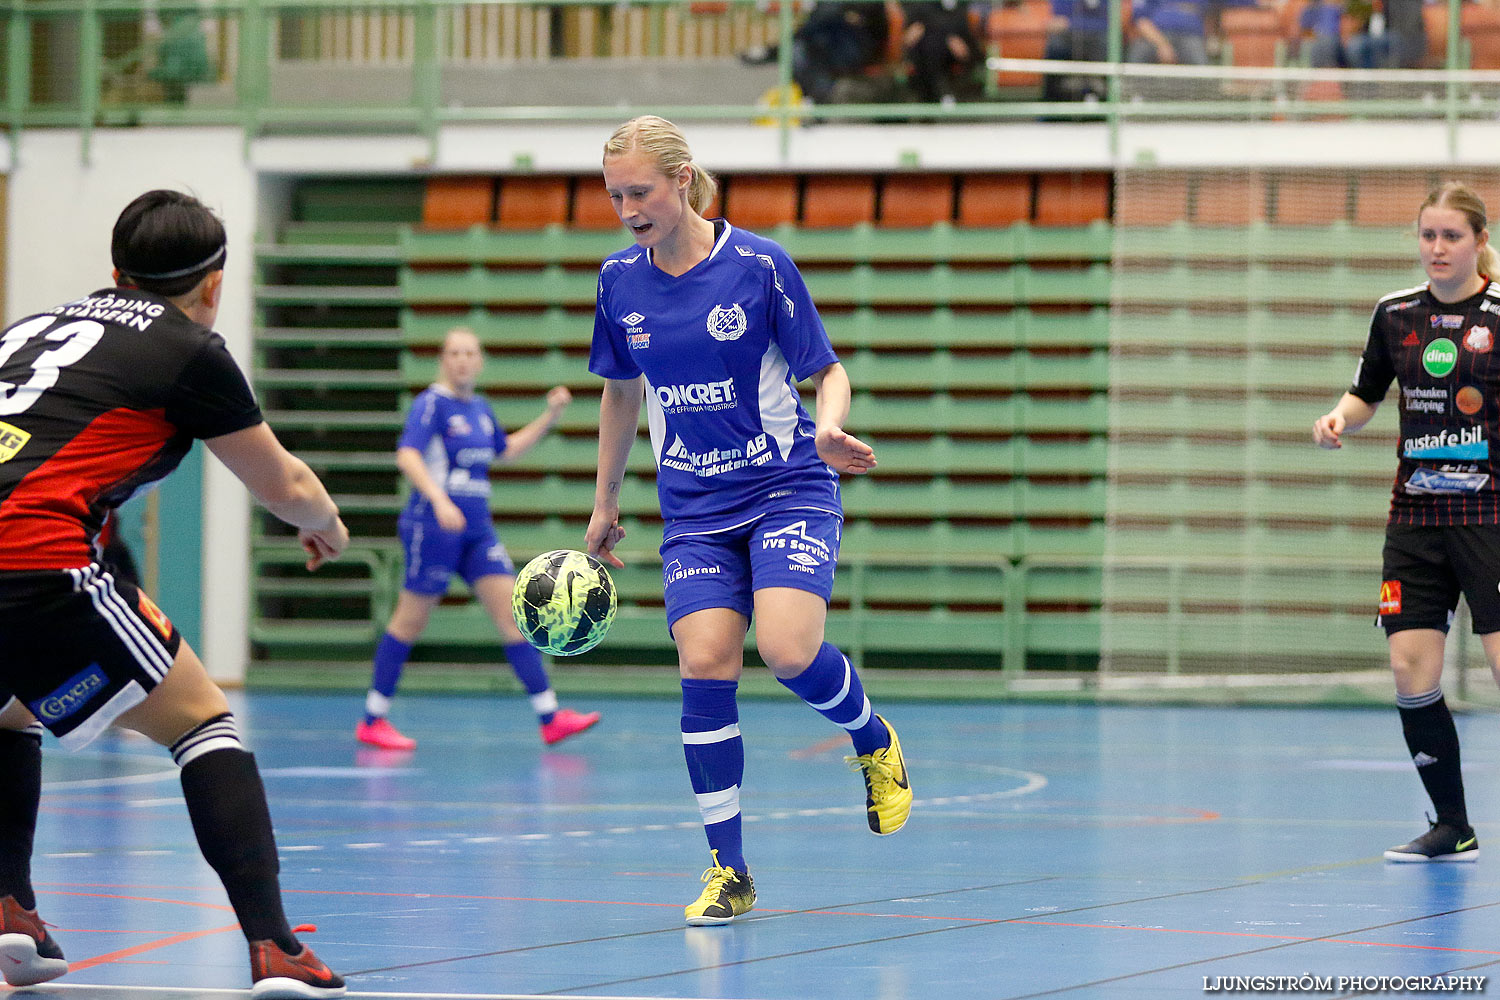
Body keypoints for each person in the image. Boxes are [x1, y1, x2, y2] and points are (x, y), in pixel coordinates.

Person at [0, 189, 348, 996]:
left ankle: (12, 909)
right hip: (37, 557)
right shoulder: (188, 348)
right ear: (215, 283)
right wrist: (323, 523)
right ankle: (275, 947)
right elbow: (284, 481)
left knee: (12, 708)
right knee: (202, 721)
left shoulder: (27, 330)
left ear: (114, 271)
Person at [586, 115, 913, 927]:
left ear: (682, 177)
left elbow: (824, 368)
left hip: (785, 488)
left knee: (789, 649)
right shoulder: (618, 281)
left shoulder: (759, 266)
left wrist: (831, 427)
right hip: (693, 508)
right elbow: (621, 390)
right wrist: (605, 499)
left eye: (641, 191)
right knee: (704, 665)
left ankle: (871, 738)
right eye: (615, 194)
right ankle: (728, 869)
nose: (628, 208)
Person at [1313, 180, 1500, 864]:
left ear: (1479, 241)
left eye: (1452, 236)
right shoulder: (1394, 315)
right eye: (1428, 235)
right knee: (1409, 667)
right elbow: (1365, 393)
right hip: (1416, 516)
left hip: (1492, 514)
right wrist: (1339, 419)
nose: (1438, 248)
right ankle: (1453, 825)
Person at [357, 327, 600, 751]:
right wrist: (438, 500)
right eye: (454, 353)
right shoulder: (431, 404)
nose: (463, 360)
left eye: (470, 353)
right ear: (442, 359)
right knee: (410, 621)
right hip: (432, 528)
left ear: (480, 361)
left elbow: (506, 450)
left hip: (477, 531)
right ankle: (373, 718)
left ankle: (550, 716)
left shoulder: (481, 409)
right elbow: (407, 455)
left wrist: (550, 417)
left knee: (515, 615)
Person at [900, 0, 985, 105]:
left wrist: (955, 41)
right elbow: (913, 33)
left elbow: (966, 39)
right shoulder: (922, 7)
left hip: (952, 54)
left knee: (932, 47)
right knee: (929, 46)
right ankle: (942, 93)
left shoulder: (960, 6)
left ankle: (937, 95)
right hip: (925, 54)